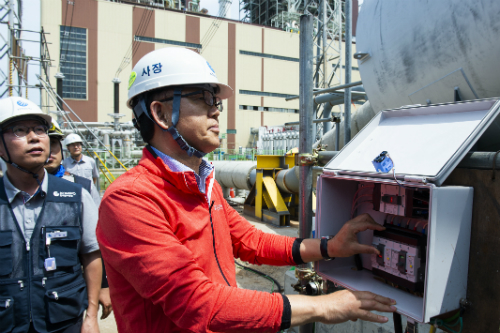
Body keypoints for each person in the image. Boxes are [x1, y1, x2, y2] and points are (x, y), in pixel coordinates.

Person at [96, 48, 396, 333]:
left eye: (216, 101)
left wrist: (330, 248)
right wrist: (321, 307)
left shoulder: (203, 184)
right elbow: (195, 303)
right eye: (203, 98)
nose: (216, 111)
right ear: (161, 114)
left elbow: (250, 241)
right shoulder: (130, 200)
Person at [0, 96, 102, 333]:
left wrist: (91, 316)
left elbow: (91, 255)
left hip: (65, 323)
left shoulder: (76, 196)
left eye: (39, 129)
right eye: (20, 130)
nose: (34, 137)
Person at [45, 122, 112, 320]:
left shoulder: (79, 187)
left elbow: (94, 242)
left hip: (68, 287)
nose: (48, 150)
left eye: (53, 144)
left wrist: (103, 284)